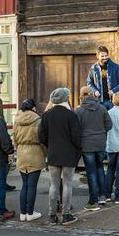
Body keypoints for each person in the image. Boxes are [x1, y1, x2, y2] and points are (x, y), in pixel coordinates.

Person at [39, 88, 81, 226]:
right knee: (67, 184)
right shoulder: (71, 115)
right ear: (65, 99)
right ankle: (66, 214)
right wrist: (77, 150)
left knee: (53, 185)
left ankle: (52, 215)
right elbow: (77, 138)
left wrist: (50, 145)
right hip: (68, 153)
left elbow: (42, 137)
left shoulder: (46, 115)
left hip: (53, 153)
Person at [75, 86, 112, 211]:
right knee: (100, 168)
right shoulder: (101, 108)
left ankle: (93, 200)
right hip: (100, 143)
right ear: (92, 95)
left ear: (81, 95)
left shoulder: (79, 111)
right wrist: (101, 132)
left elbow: (76, 129)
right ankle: (103, 196)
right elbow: (109, 124)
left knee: (91, 171)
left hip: (87, 144)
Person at [13, 99, 46, 222]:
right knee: (32, 185)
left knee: (24, 185)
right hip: (35, 152)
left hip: (22, 152)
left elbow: (14, 138)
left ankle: (23, 213)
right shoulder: (38, 120)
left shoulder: (17, 119)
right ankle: (30, 212)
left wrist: (18, 148)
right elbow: (42, 139)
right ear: (33, 108)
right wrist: (45, 154)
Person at [87, 45, 119, 110]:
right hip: (99, 101)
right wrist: (95, 91)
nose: (105, 58)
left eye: (106, 55)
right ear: (97, 56)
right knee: (100, 120)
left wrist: (114, 91)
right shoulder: (93, 68)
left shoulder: (115, 67)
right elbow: (89, 82)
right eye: (102, 56)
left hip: (113, 102)